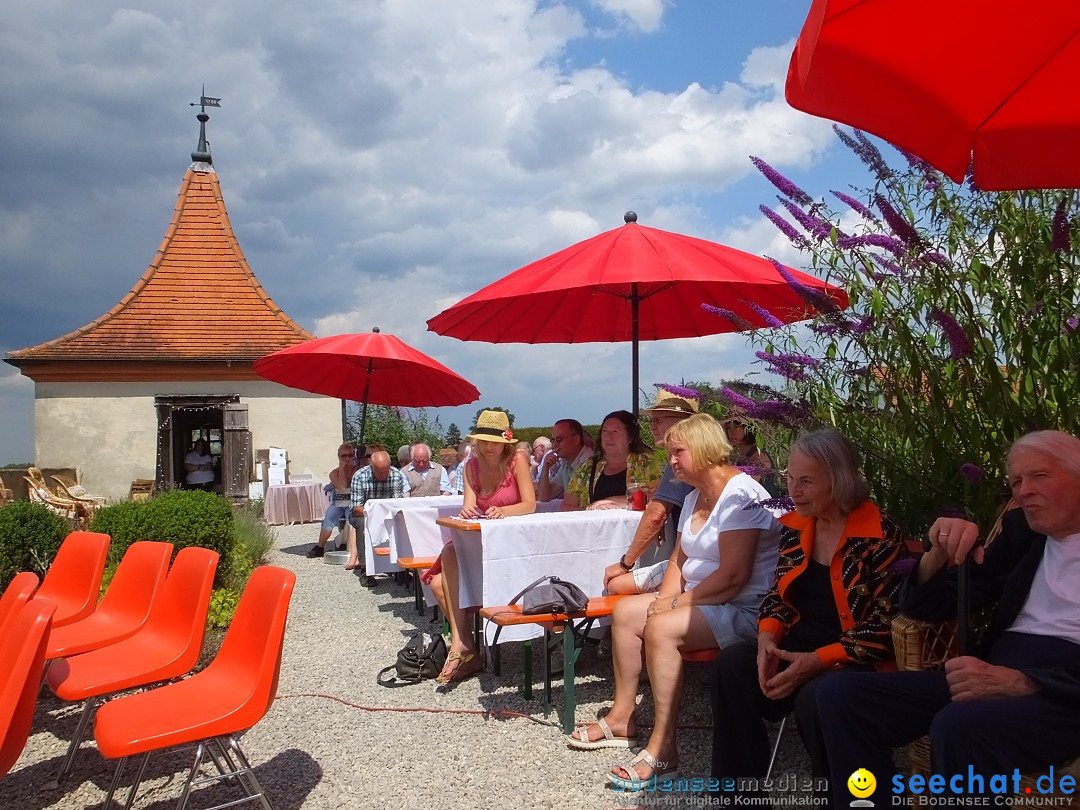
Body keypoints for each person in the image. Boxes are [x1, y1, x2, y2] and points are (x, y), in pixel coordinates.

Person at [816, 430, 1080, 805]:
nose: (1022, 492)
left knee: (962, 725)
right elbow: (927, 608)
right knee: (841, 694)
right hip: (992, 671)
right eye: (1016, 481)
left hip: (1065, 695)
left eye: (1039, 476)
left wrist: (1028, 682)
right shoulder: (1024, 537)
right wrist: (937, 555)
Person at [568, 414, 782, 790]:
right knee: (627, 611)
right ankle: (622, 716)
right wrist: (665, 597)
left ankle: (664, 747)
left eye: (677, 451)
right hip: (706, 599)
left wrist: (673, 606)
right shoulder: (697, 495)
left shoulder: (741, 494)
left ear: (702, 448)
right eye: (669, 453)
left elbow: (735, 576)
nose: (671, 461)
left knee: (662, 627)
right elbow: (678, 559)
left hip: (746, 608)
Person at [709, 428, 906, 802]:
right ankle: (738, 799)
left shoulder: (879, 534)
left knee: (817, 698)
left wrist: (817, 661)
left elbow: (887, 626)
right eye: (789, 479)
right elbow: (778, 597)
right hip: (800, 645)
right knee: (733, 665)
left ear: (840, 480)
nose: (793, 490)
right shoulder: (797, 528)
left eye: (806, 481)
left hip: (855, 658)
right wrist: (767, 638)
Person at [423, 410, 536, 684]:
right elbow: (468, 505)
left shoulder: (517, 460)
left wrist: (505, 511)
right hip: (480, 540)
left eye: (494, 441)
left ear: (505, 442)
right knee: (443, 567)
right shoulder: (471, 466)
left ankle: (463, 646)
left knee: (440, 579)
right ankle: (464, 644)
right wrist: (468, 510)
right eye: (483, 441)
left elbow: (530, 504)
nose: (488, 446)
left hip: (512, 543)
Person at [604, 389, 698, 594]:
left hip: (690, 566)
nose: (652, 425)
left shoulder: (683, 460)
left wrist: (624, 564)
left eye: (659, 419)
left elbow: (656, 515)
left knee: (615, 585)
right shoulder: (692, 454)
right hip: (692, 559)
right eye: (651, 420)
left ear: (682, 422)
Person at [561, 410, 661, 511]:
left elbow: (657, 497)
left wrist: (613, 501)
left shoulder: (644, 462)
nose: (609, 436)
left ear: (630, 438)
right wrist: (591, 510)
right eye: (605, 431)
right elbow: (565, 507)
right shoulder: (587, 467)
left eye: (615, 431)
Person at [343, 450, 405, 571]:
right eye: (379, 472)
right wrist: (376, 514)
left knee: (401, 521)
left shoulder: (396, 475)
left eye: (386, 471)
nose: (383, 475)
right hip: (363, 514)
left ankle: (401, 567)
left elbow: (397, 503)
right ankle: (365, 569)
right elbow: (357, 508)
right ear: (372, 467)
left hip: (388, 513)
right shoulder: (360, 476)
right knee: (362, 524)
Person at [306, 443, 360, 558]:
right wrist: (342, 469)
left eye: (350, 455)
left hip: (354, 502)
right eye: (344, 456)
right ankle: (320, 547)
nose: (347, 458)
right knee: (329, 517)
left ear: (354, 456)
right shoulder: (334, 473)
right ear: (339, 458)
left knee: (350, 517)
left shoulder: (359, 471)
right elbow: (342, 487)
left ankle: (344, 544)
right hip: (340, 501)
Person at [538, 419, 593, 502]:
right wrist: (545, 469)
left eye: (559, 439)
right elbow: (545, 497)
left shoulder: (590, 461)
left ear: (576, 439)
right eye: (553, 440)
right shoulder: (565, 463)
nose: (555, 444)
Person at [723, 416, 777, 493]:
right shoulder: (743, 457)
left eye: (736, 427)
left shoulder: (758, 455)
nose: (731, 432)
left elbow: (748, 489)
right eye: (728, 427)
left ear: (748, 429)